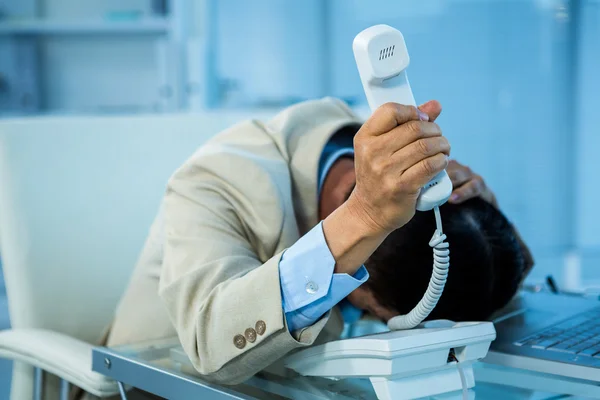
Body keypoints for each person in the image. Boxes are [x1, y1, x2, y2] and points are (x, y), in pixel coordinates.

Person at [102, 97, 532, 389]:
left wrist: (485, 225)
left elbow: (487, 293)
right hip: (149, 387)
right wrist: (362, 218)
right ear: (360, 289)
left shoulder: (399, 163)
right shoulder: (216, 180)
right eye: (380, 314)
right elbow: (210, 345)